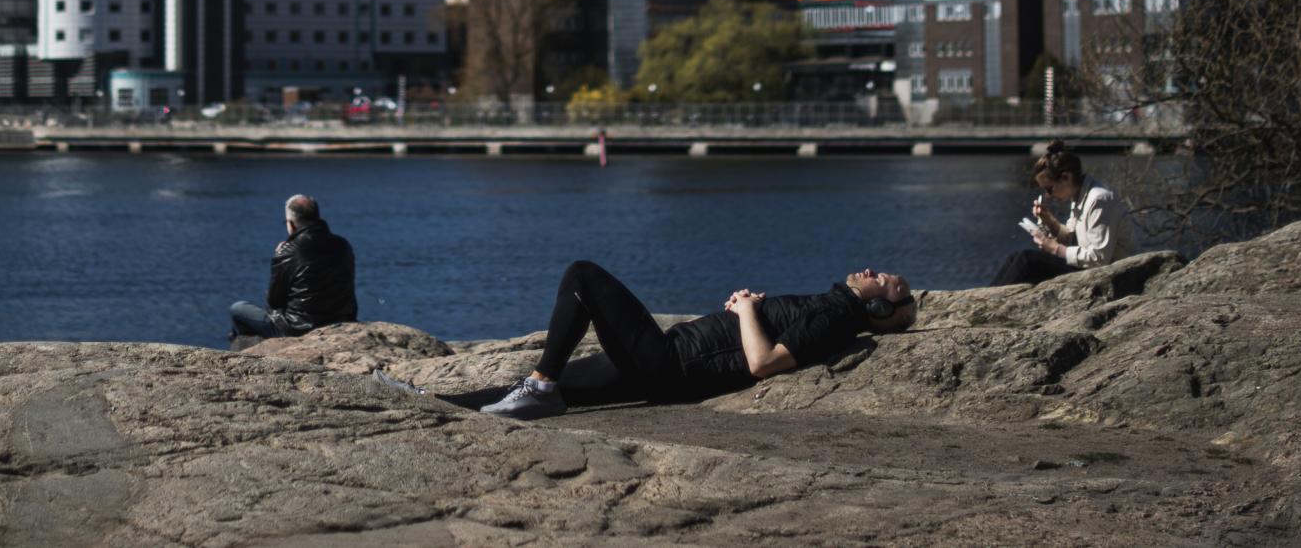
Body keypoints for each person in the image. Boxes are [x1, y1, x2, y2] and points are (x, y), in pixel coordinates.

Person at [481, 262, 917, 420]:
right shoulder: (831, 309)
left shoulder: (837, 314)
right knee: (547, 391)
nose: (872, 271)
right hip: (665, 367)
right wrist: (755, 312)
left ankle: (538, 386)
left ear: (879, 311)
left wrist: (746, 310)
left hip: (671, 362)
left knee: (582, 275)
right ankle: (427, 399)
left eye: (884, 282)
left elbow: (764, 363)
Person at [991, 139, 1136, 286]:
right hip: (1091, 270)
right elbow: (1073, 239)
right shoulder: (1079, 196)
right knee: (1014, 258)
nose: (1048, 195)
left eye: (1049, 188)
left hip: (1113, 275)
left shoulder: (1100, 200)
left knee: (1026, 260)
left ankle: (988, 301)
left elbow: (1098, 258)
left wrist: (1054, 248)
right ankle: (986, 296)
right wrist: (1049, 221)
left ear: (1066, 177)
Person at [227, 193, 357, 341]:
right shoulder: (343, 244)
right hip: (341, 321)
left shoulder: (288, 251)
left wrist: (278, 256)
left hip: (298, 329)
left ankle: (248, 349)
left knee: (238, 308)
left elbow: (274, 301)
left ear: (291, 224)